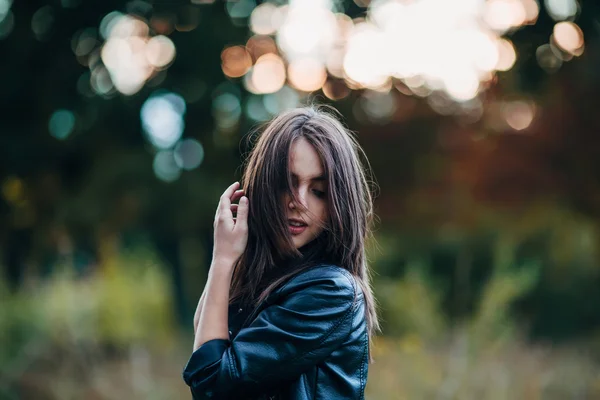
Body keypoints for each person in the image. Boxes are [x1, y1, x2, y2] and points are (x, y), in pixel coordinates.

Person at [183, 105, 379, 399]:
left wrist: (223, 259)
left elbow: (210, 380)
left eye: (318, 191)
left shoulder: (330, 292)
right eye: (286, 184)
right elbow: (206, 338)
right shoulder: (266, 279)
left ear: (338, 203)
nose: (298, 202)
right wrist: (228, 257)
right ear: (262, 187)